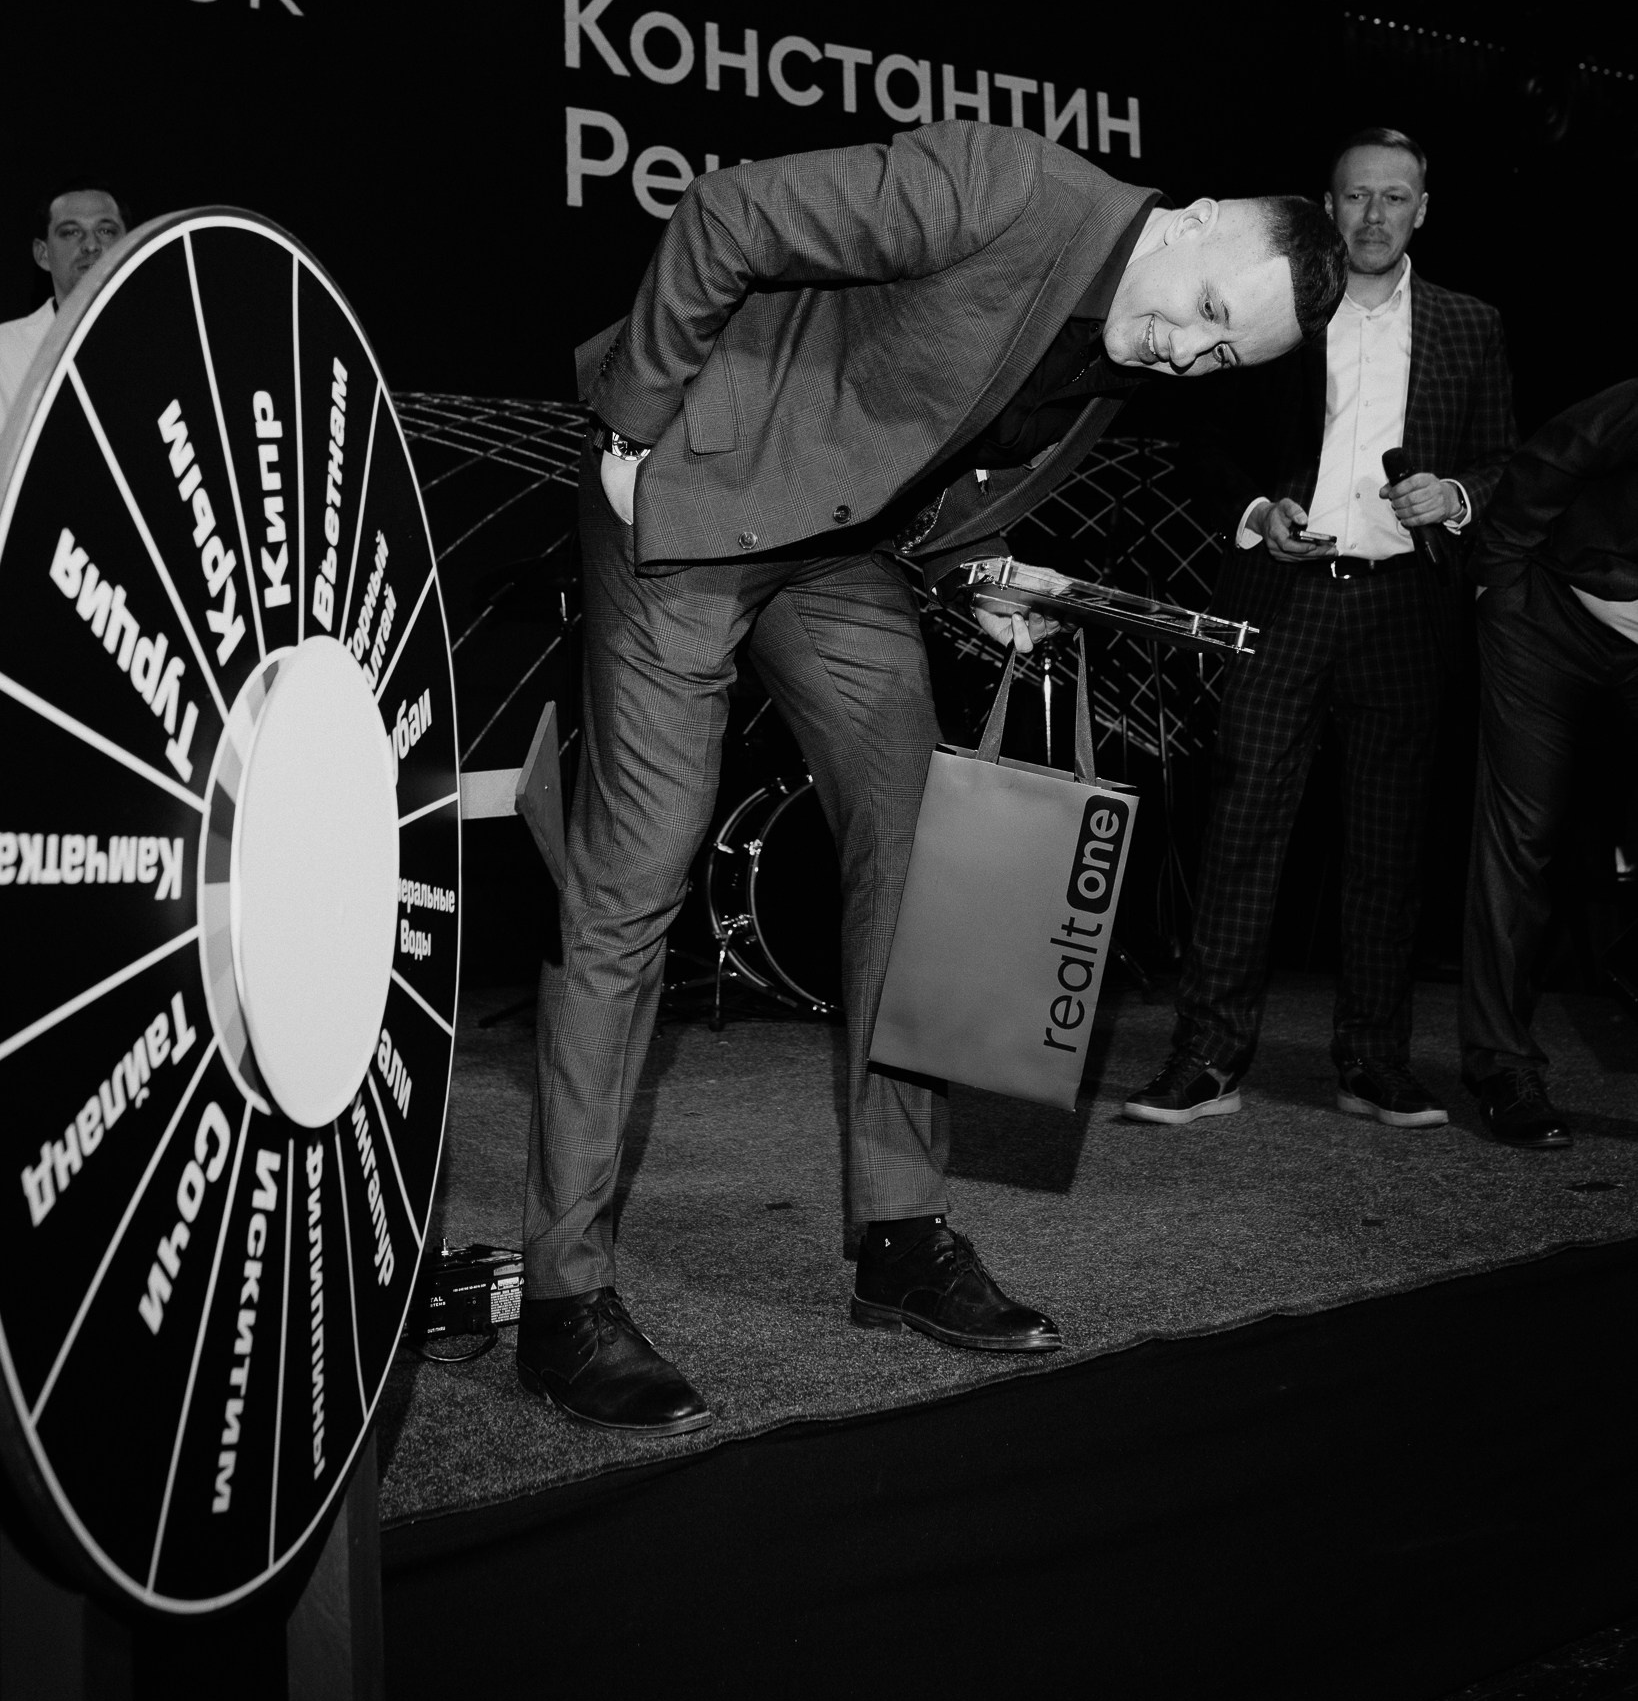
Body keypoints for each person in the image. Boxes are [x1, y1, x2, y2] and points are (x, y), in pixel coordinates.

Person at [518, 118, 1348, 1436]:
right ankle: (562, 1298)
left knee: (917, 857)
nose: (1186, 352)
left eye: (1218, 356)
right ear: (1190, 222)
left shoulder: (1128, 338)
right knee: (638, 876)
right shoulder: (1009, 188)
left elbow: (933, 424)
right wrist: (628, 429)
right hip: (684, 489)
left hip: (831, 547)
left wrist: (978, 564)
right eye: (1204, 313)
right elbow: (725, 215)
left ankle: (899, 1237)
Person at [1125, 126, 1516, 1132]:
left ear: (1423, 209)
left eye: (1395, 197)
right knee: (1243, 828)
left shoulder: (1470, 325)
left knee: (1389, 842)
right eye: (1355, 196)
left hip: (1405, 605)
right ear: (1328, 204)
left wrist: (1458, 497)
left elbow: (1502, 463)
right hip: (1281, 598)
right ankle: (1207, 1058)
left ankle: (1374, 1063)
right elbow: (1203, 443)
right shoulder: (1277, 307)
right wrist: (1261, 513)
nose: (1374, 216)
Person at [1458, 382, 1638, 1149]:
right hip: (1550, 614)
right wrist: (1499, 576)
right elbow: (1554, 456)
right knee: (1522, 836)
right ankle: (1501, 1066)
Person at [0, 186, 129, 442]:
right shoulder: (5, 351)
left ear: (131, 245)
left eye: (106, 231)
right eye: (71, 232)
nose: (91, 245)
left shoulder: (169, 343)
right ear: (43, 254)